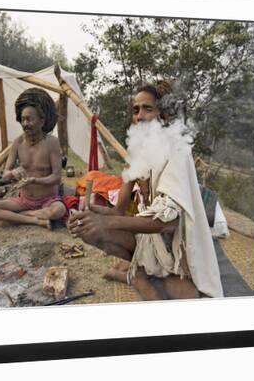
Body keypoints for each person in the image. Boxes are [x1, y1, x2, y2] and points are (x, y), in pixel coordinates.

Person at [68, 81, 223, 300]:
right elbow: (119, 209)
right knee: (90, 230)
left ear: (165, 117)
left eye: (147, 109)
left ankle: (139, 275)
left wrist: (107, 222)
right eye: (135, 110)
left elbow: (166, 223)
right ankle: (139, 271)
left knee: (187, 297)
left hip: (177, 245)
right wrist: (92, 213)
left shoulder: (177, 151)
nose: (139, 116)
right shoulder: (137, 151)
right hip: (151, 239)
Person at [0, 88, 67, 229]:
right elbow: (5, 175)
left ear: (42, 121)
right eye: (22, 119)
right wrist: (12, 173)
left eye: (29, 119)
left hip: (48, 200)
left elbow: (57, 177)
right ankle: (35, 219)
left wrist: (35, 180)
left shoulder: (52, 143)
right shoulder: (17, 143)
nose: (24, 124)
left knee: (59, 210)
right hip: (24, 200)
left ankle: (20, 216)